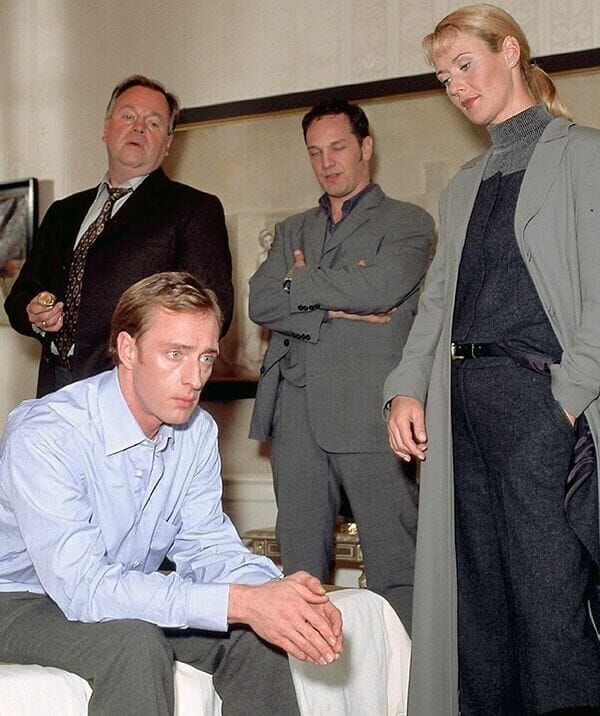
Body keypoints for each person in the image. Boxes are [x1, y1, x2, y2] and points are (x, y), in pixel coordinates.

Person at [384, 4, 600, 714]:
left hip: (538, 403)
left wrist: (564, 402)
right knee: (477, 612)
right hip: (461, 411)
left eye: (464, 65)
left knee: (550, 606)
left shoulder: (585, 155)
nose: (456, 87)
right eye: (444, 78)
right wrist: (406, 387)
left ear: (510, 51)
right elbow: (436, 303)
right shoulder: (465, 184)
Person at [0, 271, 342, 715]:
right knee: (134, 643)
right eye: (175, 354)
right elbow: (84, 588)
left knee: (254, 635)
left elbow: (208, 546)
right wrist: (239, 601)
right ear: (128, 349)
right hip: (19, 599)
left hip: (114, 587)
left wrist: (277, 595)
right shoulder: (48, 434)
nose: (195, 378)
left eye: (205, 357)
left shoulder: (196, 432)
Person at [249, 98, 434, 632]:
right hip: (294, 412)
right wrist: (334, 306)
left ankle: (407, 679)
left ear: (365, 148)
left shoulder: (408, 222)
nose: (327, 162)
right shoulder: (292, 230)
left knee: (396, 565)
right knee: (299, 571)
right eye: (315, 152)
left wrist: (300, 285)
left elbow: (380, 288)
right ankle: (308, 677)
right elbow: (261, 300)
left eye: (338, 148)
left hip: (369, 410)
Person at [4, 75, 233, 398]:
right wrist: (33, 312)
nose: (139, 128)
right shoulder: (63, 213)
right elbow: (20, 295)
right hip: (55, 391)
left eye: (153, 123)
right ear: (106, 128)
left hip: (135, 396)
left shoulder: (194, 209)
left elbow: (212, 312)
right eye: (128, 116)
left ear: (168, 143)